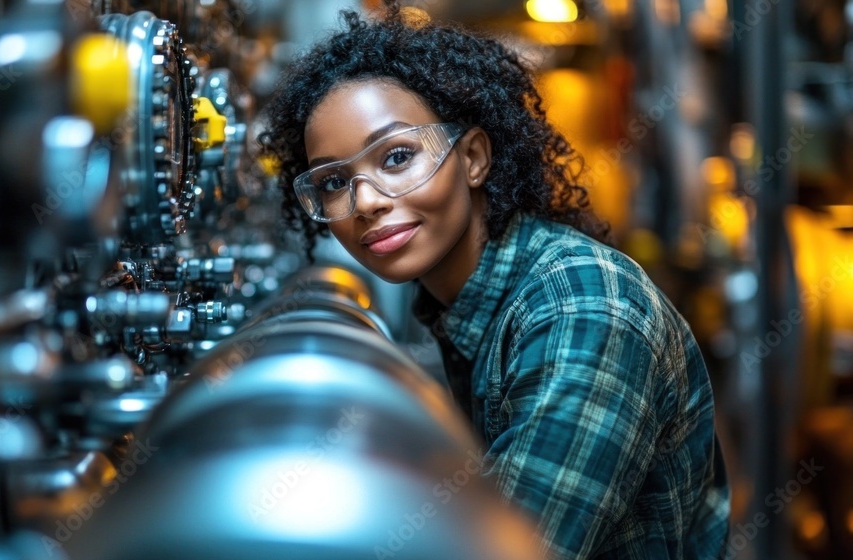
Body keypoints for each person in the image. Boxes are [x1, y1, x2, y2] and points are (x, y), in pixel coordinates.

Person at [258, 2, 730, 558]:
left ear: (475, 157)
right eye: (335, 181)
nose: (364, 201)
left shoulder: (582, 307)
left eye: (397, 157)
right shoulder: (458, 303)